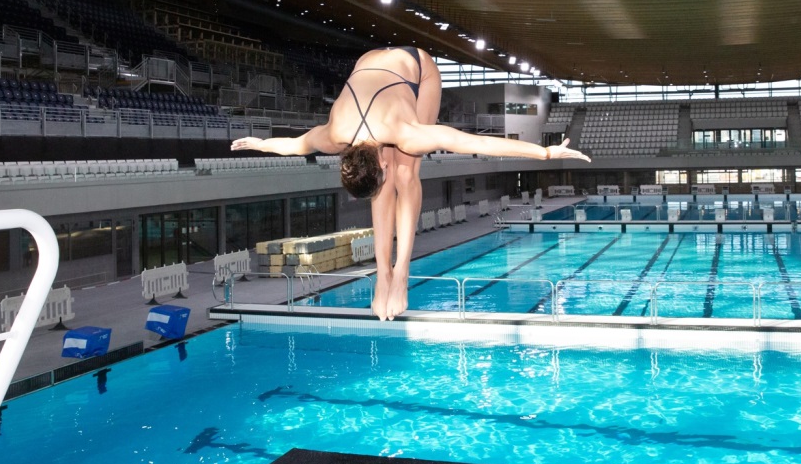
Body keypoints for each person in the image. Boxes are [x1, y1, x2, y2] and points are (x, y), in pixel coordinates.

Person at [231, 46, 590, 320]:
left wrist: (545, 153)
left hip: (417, 68)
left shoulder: (405, 133)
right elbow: (294, 145)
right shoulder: (335, 134)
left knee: (405, 172)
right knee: (391, 179)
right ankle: (382, 274)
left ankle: (400, 271)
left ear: (378, 162)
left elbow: (474, 143)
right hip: (370, 64)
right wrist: (260, 143)